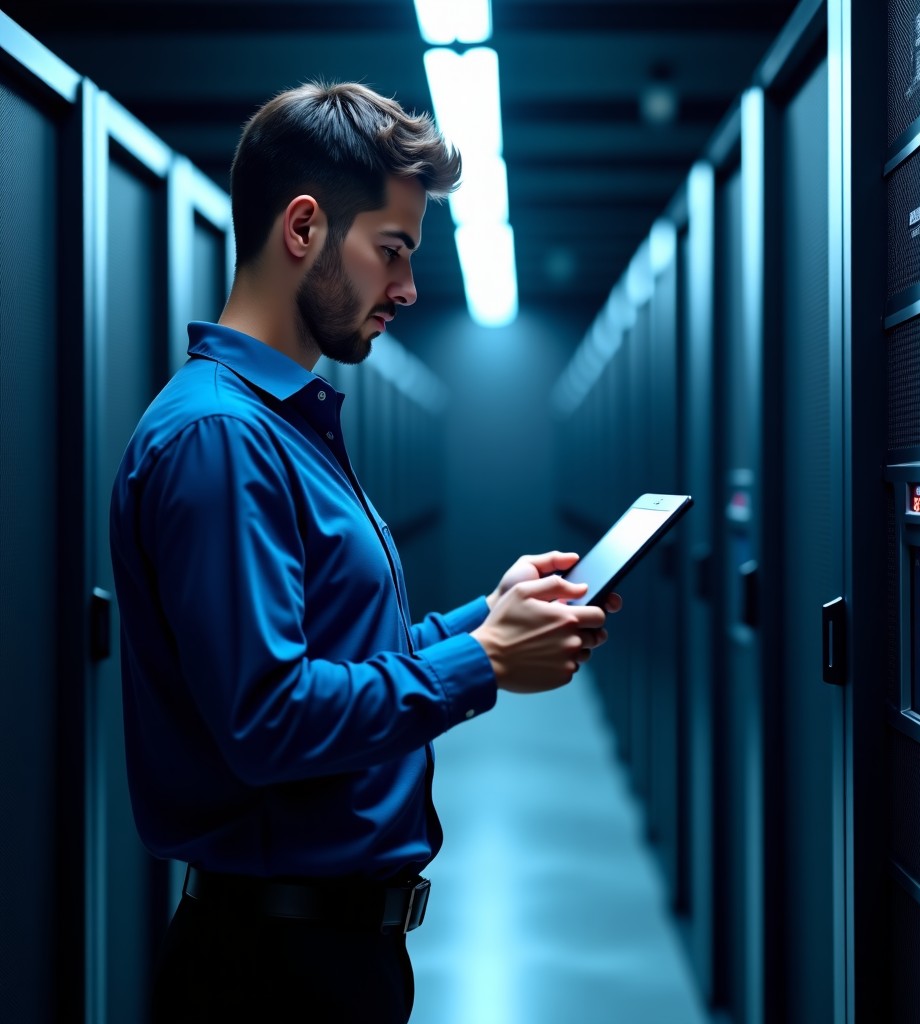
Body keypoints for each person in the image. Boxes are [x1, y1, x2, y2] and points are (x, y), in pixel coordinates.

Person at [109, 80, 616, 1023]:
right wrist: (484, 664)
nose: (408, 288)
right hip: (271, 973)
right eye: (393, 251)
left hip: (330, 956)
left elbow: (343, 657)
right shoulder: (221, 439)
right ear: (303, 228)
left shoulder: (285, 428)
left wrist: (490, 616)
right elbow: (270, 719)